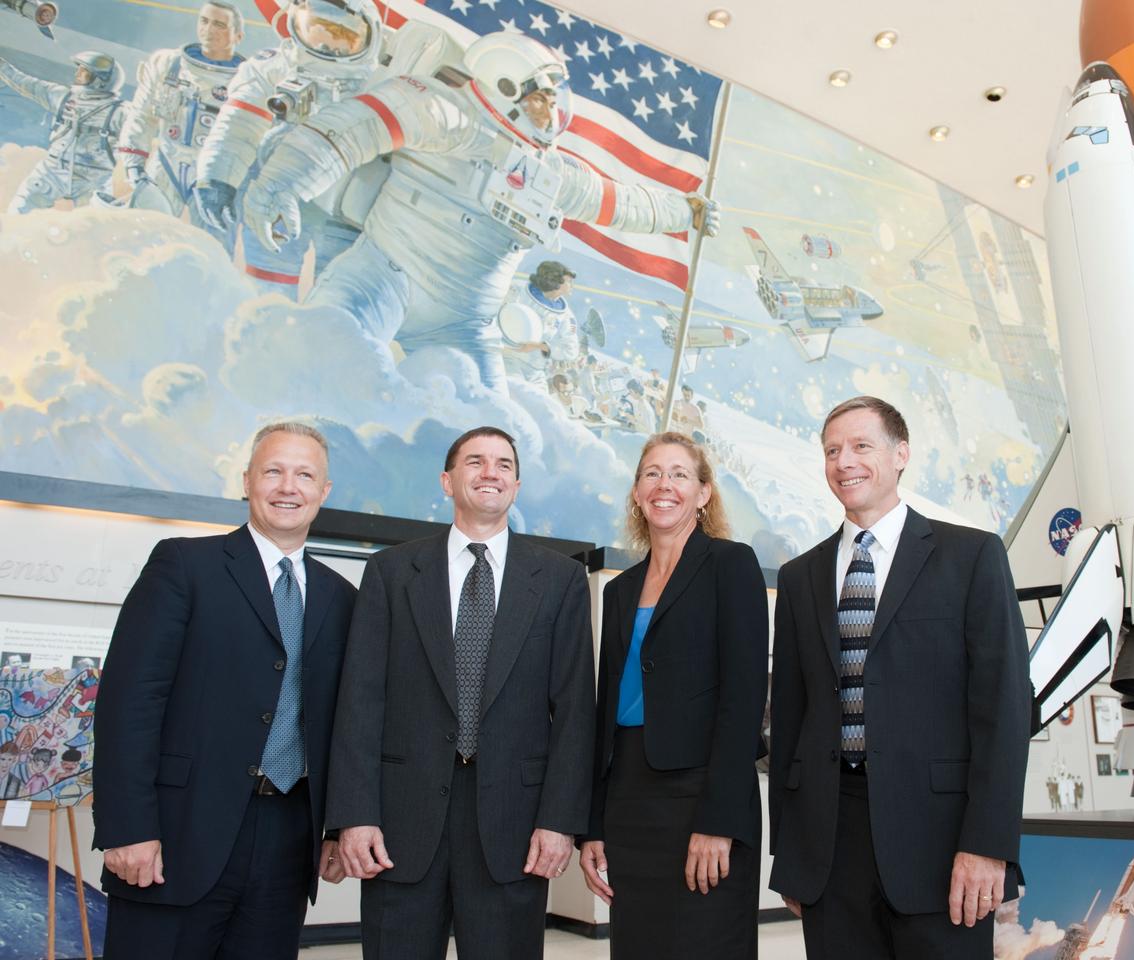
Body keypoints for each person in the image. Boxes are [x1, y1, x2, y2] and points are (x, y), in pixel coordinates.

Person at [238, 32, 719, 391]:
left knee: (494, 441)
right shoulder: (447, 113)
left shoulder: (554, 173)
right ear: (504, 88)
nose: (549, 112)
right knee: (311, 365)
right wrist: (281, 183)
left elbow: (619, 203)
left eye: (553, 100)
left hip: (465, 323)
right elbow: (351, 127)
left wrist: (686, 212)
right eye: (537, 99)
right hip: (381, 277)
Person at [768, 396, 1031, 960]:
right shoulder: (799, 578)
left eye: (861, 446)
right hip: (830, 845)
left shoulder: (972, 557)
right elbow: (792, 717)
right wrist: (790, 852)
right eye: (832, 450)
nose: (844, 462)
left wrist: (988, 845)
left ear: (901, 454)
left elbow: (1004, 710)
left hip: (942, 845)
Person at [92, 422, 357, 960]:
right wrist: (127, 828)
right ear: (247, 481)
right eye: (273, 471)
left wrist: (337, 826)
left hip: (288, 837)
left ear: (324, 492)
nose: (289, 487)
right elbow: (129, 704)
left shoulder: (341, 597)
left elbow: (344, 723)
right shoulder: (184, 565)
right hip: (176, 833)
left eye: (305, 475)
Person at [329, 426, 595, 959]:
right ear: (448, 481)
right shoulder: (391, 571)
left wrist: (559, 822)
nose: (489, 472)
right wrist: (353, 816)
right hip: (400, 824)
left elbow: (573, 712)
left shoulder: (560, 580)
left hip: (514, 828)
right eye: (475, 462)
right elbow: (360, 701)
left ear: (516, 485)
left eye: (502, 464)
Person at [580, 432, 767, 959]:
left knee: (706, 944)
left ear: (704, 493)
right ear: (637, 492)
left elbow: (743, 699)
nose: (665, 485)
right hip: (629, 800)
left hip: (701, 795)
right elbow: (604, 714)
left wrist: (719, 819)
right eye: (652, 474)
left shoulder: (731, 565)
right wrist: (592, 825)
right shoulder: (620, 589)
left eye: (680, 474)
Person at [194, 0, 385, 295]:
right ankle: (267, 331)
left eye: (341, 36)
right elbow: (238, 125)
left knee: (336, 295)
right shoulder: (275, 66)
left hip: (345, 207)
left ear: (368, 38)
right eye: (315, 30)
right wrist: (217, 177)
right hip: (274, 195)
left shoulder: (381, 84)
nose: (326, 45)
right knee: (268, 288)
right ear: (296, 24)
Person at [115, 1, 245, 235]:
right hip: (166, 162)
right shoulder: (169, 63)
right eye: (204, 21)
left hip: (215, 175)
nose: (209, 30)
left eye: (219, 24)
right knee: (142, 236)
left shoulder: (247, 80)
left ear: (238, 35)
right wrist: (133, 164)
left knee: (212, 247)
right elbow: (141, 113)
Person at [0, 51, 125, 213]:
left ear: (101, 80)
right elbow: (26, 83)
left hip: (92, 183)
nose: (77, 73)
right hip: (51, 175)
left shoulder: (121, 113)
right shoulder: (63, 97)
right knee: (17, 217)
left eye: (84, 71)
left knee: (88, 233)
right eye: (79, 69)